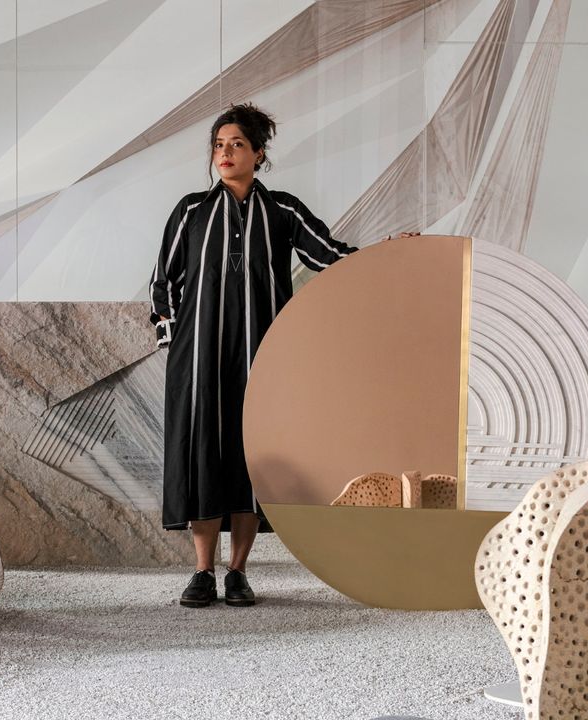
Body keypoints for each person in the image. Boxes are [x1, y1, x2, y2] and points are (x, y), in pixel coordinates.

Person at [148, 103, 358, 608]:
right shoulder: (192, 211)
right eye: (219, 145)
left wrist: (389, 251)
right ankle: (202, 571)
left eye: (237, 144)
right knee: (203, 456)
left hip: (263, 357)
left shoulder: (282, 211)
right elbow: (163, 282)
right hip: (199, 359)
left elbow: (328, 255)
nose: (225, 153)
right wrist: (174, 338)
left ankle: (238, 572)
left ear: (258, 153)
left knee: (250, 459)